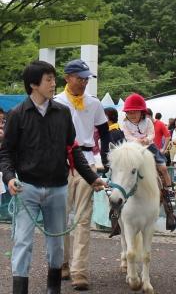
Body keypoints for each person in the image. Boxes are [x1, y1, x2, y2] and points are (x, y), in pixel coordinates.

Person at [0, 61, 105, 294]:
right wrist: (8, 177)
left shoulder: (63, 112)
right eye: (48, 79)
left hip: (58, 188)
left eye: (53, 79)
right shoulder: (18, 114)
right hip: (26, 188)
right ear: (33, 85)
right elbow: (5, 152)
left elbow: (73, 149)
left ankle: (53, 289)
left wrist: (91, 178)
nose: (53, 84)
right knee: (22, 242)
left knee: (56, 244)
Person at [54, 59, 110, 290]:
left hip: (86, 163)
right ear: (67, 78)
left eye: (87, 78)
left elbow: (105, 131)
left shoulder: (94, 103)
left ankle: (80, 271)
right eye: (80, 77)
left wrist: (105, 158)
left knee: (83, 219)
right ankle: (62, 264)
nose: (85, 82)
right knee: (60, 218)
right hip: (60, 164)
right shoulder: (55, 101)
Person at [121, 93, 176, 231]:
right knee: (120, 167)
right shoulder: (125, 123)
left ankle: (169, 194)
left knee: (163, 168)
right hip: (133, 147)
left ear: (142, 112)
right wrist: (137, 141)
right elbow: (127, 136)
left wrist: (147, 140)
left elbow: (152, 134)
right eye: (129, 112)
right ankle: (115, 200)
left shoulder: (148, 122)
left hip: (149, 146)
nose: (132, 115)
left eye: (135, 112)